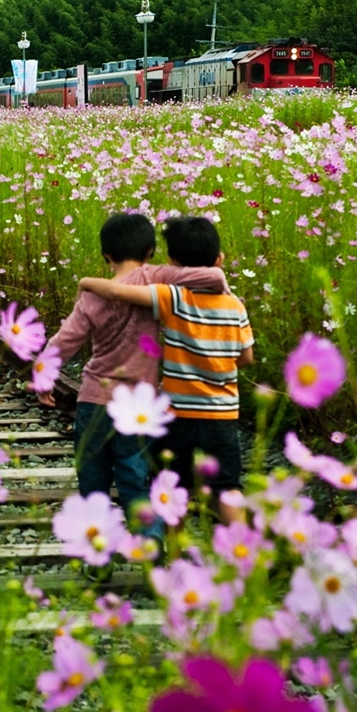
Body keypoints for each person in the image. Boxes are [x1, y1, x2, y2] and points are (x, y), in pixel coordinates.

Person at [38, 213, 231, 551]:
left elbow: (64, 340)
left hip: (95, 400)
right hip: (138, 409)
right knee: (136, 478)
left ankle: (96, 556)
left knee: (93, 481)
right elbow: (213, 276)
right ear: (150, 251)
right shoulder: (157, 278)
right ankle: (150, 544)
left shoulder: (93, 296)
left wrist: (44, 376)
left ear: (106, 255)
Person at [78, 216, 254, 525]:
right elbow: (246, 357)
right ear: (219, 259)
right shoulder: (235, 306)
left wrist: (86, 283)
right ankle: (243, 544)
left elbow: (117, 292)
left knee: (172, 486)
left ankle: (172, 548)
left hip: (178, 412)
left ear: (172, 261)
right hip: (222, 413)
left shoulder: (173, 297)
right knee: (227, 486)